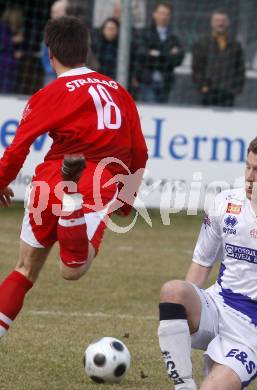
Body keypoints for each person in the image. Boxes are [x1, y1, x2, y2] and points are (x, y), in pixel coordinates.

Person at [0, 16, 148, 338]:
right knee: (73, 269)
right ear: (87, 50)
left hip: (48, 180)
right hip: (96, 182)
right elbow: (139, 154)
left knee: (24, 270)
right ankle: (72, 203)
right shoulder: (119, 93)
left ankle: (69, 197)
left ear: (50, 54)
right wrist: (125, 201)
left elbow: (18, 148)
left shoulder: (49, 93)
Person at [157, 134, 257, 389]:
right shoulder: (225, 203)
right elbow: (202, 263)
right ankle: (183, 384)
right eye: (247, 166)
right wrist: (188, 308)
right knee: (174, 290)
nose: (249, 176)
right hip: (219, 304)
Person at [192, 10, 245, 107]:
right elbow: (197, 68)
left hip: (228, 92)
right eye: (217, 20)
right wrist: (202, 86)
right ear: (212, 23)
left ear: (228, 23)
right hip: (208, 91)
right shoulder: (202, 43)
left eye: (223, 20)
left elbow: (240, 68)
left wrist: (237, 88)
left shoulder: (235, 45)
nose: (220, 23)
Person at [135, 1, 184, 103]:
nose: (164, 17)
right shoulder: (145, 33)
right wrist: (167, 54)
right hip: (147, 81)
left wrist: (155, 53)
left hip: (166, 82)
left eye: (166, 14)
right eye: (161, 13)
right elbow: (142, 55)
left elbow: (178, 59)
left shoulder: (174, 36)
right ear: (154, 14)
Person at [40, 0, 67, 86]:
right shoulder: (49, 29)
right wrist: (50, 68)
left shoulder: (73, 29)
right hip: (52, 72)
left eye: (55, 12)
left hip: (68, 72)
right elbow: (44, 52)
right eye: (52, 12)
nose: (52, 15)